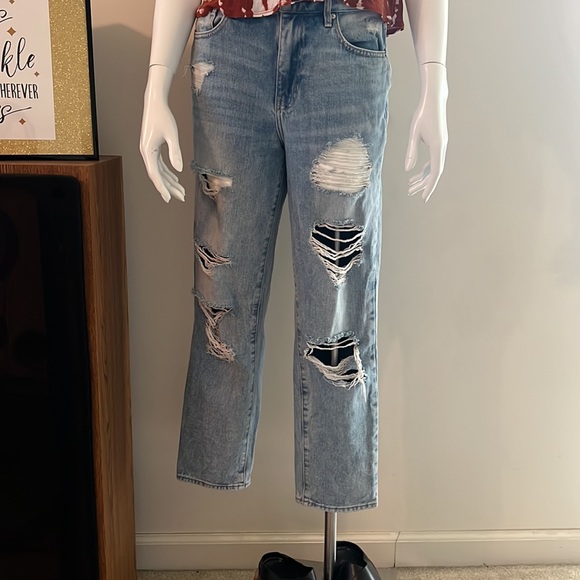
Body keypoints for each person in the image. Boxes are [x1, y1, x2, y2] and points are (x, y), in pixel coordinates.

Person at [140, 0, 449, 513]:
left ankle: (335, 492)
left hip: (343, 43)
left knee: (338, 304)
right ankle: (217, 461)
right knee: (222, 285)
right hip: (229, 46)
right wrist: (156, 81)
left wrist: (435, 79)